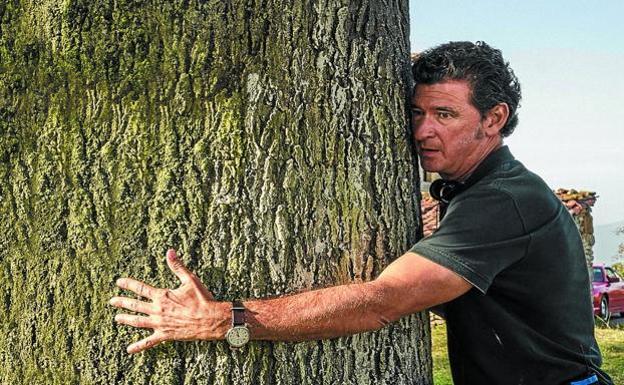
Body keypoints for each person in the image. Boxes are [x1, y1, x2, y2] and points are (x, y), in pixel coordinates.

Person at [109, 41, 613, 385]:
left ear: (494, 118)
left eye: (445, 114)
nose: (421, 132)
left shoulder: (504, 200)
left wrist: (226, 318)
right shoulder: (473, 192)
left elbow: (383, 302)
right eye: (417, 113)